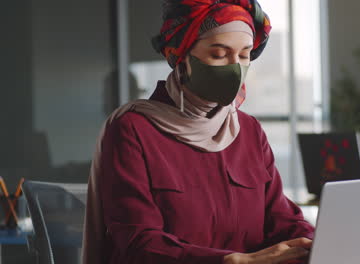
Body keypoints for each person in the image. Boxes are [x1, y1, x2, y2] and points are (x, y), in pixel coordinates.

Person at [82, 1, 315, 264]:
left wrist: (316, 244)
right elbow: (140, 243)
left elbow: (283, 219)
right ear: (178, 55)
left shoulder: (249, 131)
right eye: (218, 54)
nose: (235, 68)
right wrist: (230, 261)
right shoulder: (132, 130)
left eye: (243, 55)